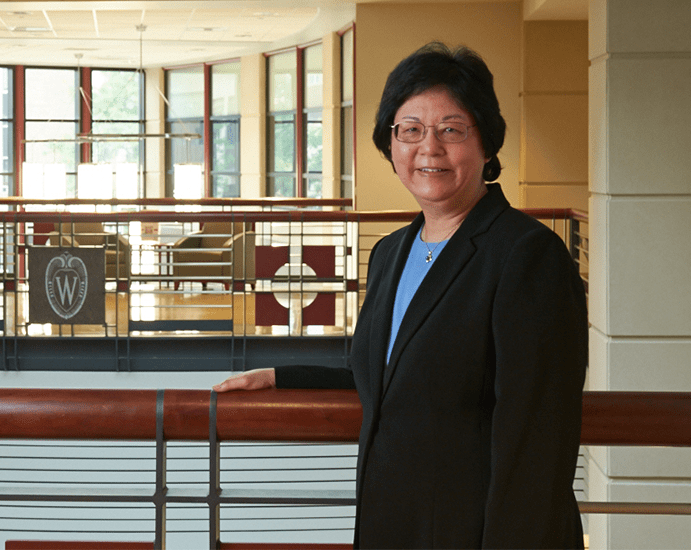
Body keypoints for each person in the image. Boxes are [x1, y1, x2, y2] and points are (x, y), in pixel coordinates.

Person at [214, 41, 587, 549]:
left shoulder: (527, 256)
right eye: (410, 130)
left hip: (475, 534)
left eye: (451, 130)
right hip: (394, 525)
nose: (428, 148)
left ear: (487, 143)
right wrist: (282, 377)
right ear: (390, 145)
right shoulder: (392, 251)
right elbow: (395, 376)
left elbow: (537, 445)